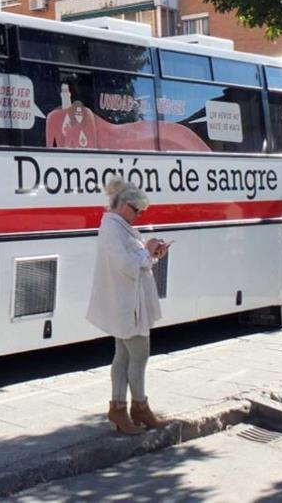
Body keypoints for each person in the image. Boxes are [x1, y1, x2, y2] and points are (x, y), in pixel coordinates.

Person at [86, 178, 170, 434]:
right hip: (128, 306)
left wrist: (149, 252)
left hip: (126, 303)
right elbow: (126, 264)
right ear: (122, 204)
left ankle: (120, 409)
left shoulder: (116, 225)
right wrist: (148, 251)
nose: (138, 215)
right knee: (139, 354)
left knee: (123, 356)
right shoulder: (113, 228)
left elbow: (134, 259)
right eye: (136, 210)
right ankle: (139, 407)